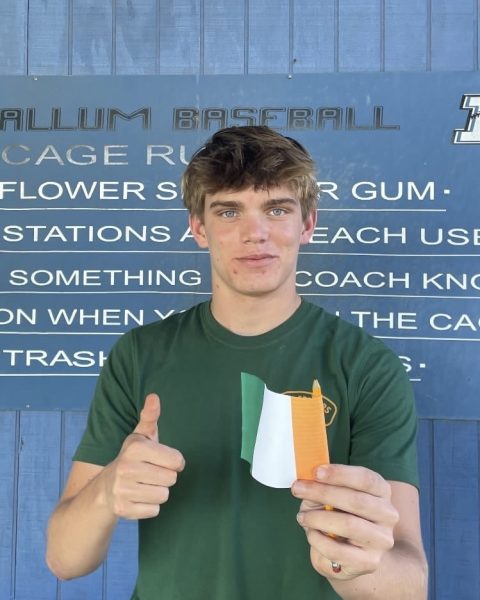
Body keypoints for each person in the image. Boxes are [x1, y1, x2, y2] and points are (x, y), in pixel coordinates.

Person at [46, 125, 428, 599]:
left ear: (306, 225)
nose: (256, 233)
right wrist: (107, 491)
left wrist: (351, 560)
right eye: (229, 211)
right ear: (199, 228)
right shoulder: (141, 354)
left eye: (277, 209)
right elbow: (65, 559)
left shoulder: (367, 366)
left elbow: (409, 587)